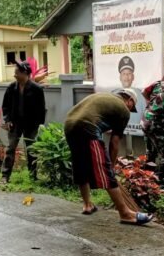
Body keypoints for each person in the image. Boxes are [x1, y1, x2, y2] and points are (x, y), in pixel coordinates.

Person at [64, 89, 153, 225]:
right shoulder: (123, 109)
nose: (130, 110)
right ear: (129, 100)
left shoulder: (103, 97)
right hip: (87, 127)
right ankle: (125, 214)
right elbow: (115, 142)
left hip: (69, 125)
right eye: (131, 106)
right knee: (104, 171)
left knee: (80, 165)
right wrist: (110, 166)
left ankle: (87, 205)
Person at [0, 61, 46, 184]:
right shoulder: (11, 88)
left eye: (17, 73)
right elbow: (5, 106)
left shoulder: (36, 89)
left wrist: (39, 124)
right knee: (10, 149)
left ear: (25, 73)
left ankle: (33, 176)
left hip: (31, 125)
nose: (14, 75)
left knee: (31, 150)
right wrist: (8, 120)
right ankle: (5, 176)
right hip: (15, 124)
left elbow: (41, 109)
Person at [118, 55, 146, 133]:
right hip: (119, 133)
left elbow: (146, 116)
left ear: (133, 77)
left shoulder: (142, 95)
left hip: (137, 135)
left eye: (129, 73)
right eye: (124, 74)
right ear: (120, 77)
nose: (127, 76)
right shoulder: (113, 94)